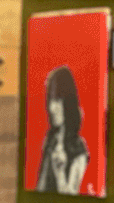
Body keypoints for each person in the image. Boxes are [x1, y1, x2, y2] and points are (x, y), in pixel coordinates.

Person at [37, 65, 89, 195]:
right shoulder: (51, 140)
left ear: (68, 102)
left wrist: (59, 172)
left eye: (58, 100)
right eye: (51, 100)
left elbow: (71, 197)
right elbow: (39, 189)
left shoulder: (78, 149)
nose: (52, 108)